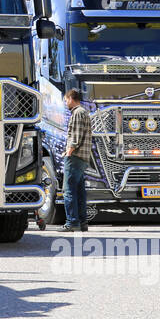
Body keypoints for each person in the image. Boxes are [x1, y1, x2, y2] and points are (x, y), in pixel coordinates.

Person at [61, 88, 92, 232]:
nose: (66, 103)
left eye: (66, 100)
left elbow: (75, 137)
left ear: (72, 98)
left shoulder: (77, 113)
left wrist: (69, 152)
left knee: (68, 190)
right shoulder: (84, 112)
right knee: (79, 191)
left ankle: (72, 222)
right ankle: (82, 222)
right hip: (83, 157)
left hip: (75, 157)